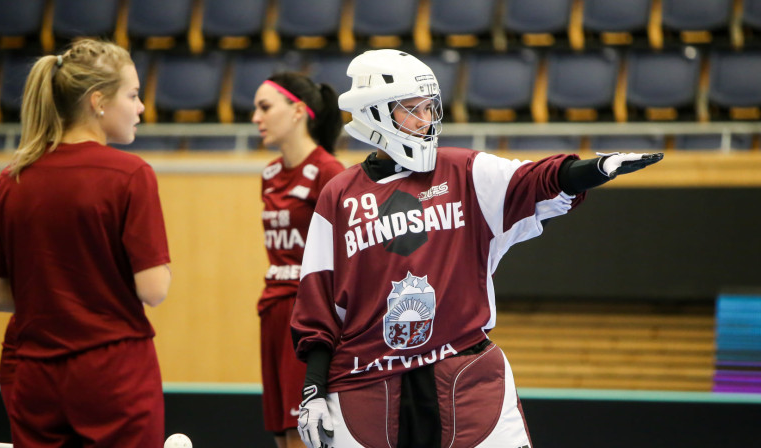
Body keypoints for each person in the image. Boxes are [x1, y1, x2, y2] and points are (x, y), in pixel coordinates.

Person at [291, 49, 663, 448]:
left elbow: (533, 179)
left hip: (465, 376)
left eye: (430, 108)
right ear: (374, 113)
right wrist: (312, 390)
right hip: (365, 383)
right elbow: (319, 305)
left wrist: (594, 169)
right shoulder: (338, 195)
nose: (426, 120)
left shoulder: (464, 169)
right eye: (411, 109)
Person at [0, 38, 171, 447]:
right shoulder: (130, 175)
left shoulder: (13, 179)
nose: (141, 108)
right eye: (133, 95)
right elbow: (153, 289)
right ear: (98, 101)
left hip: (34, 375)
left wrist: (57, 295)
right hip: (113, 374)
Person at [252, 72, 345, 448]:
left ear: (297, 111)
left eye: (264, 107)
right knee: (281, 431)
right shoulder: (270, 174)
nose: (256, 118)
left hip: (308, 313)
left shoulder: (330, 172)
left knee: (306, 432)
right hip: (272, 307)